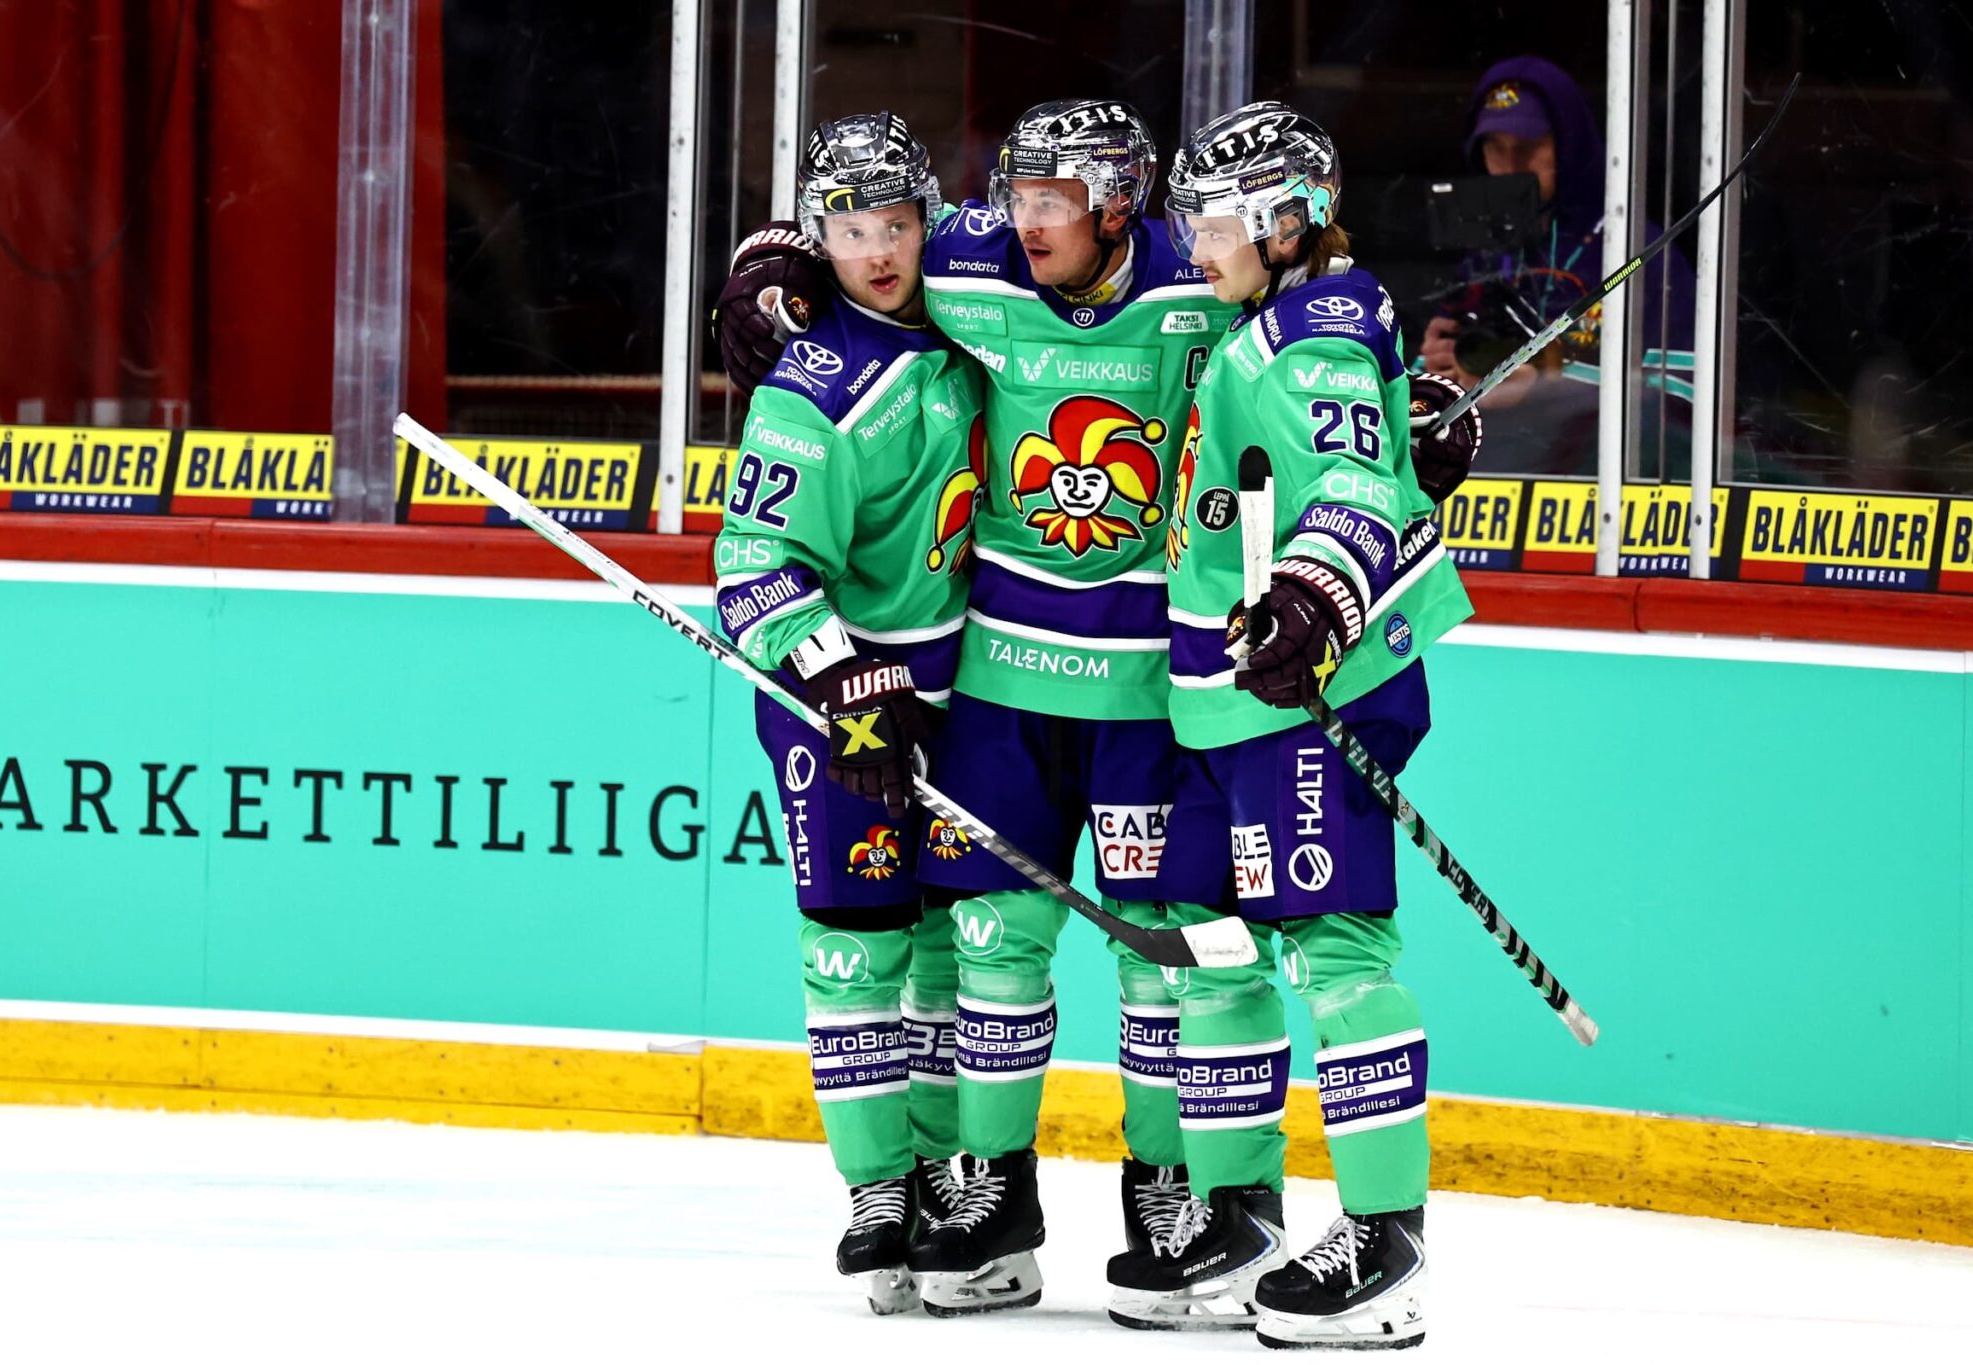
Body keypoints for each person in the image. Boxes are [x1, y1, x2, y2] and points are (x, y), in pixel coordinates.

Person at [717, 97, 1255, 1323]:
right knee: (962, 943)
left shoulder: (1183, 273)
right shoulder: (954, 270)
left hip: (1133, 686)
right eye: (1014, 195)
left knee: (1147, 950)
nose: (1021, 220)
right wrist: (767, 266)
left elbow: (1299, 328)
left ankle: (1168, 1193)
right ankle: (970, 1194)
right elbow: (849, 246)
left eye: (1050, 200)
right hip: (972, 691)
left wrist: (1402, 415)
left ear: (1117, 202)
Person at [1104, 101, 1479, 1351]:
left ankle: (1384, 1241)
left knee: (1335, 951)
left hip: (1312, 687)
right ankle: (1237, 1215)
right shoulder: (1259, 322)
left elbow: (1352, 487)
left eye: (1216, 224)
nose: (1195, 244)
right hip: (1220, 696)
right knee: (1206, 944)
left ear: (1287, 220)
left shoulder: (1309, 333)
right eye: (1191, 222)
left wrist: (1314, 596)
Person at [710, 111, 981, 1317]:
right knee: (856, 944)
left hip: (970, 691)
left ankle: (941, 1175)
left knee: (954, 948)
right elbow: (753, 569)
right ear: (822, 238)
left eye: (897, 223)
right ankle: (877, 1190)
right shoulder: (809, 388)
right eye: (849, 230)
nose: (877, 250)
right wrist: (836, 676)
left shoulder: (983, 312)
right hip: (847, 703)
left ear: (932, 219)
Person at [1420, 57, 1694, 476]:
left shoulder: (1639, 252)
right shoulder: (1483, 260)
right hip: (1491, 483)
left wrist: (1544, 390)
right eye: (1495, 148)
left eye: (1528, 147)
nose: (1511, 166)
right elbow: (1432, 407)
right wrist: (1436, 376)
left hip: (1605, 483)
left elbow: (1682, 398)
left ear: (1567, 146)